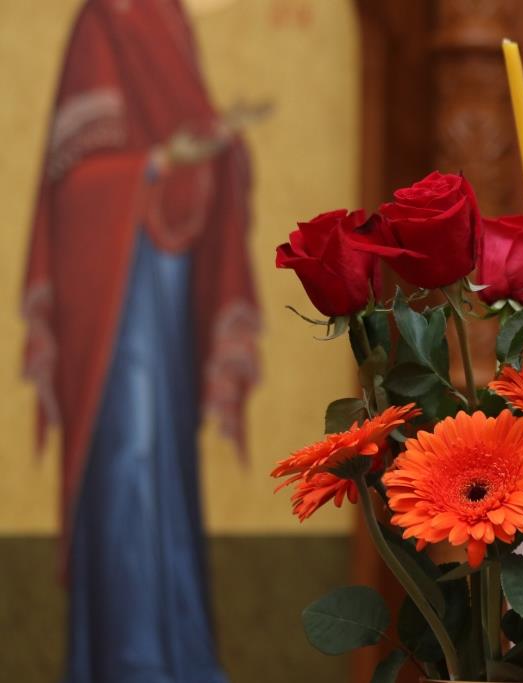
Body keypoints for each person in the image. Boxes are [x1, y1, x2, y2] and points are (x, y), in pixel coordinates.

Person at [21, 1, 265, 680]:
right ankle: (128, 658)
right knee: (127, 451)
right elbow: (74, 179)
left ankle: (176, 653)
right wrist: (159, 162)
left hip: (169, 281)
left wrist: (221, 147)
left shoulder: (169, 19)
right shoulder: (105, 19)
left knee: (166, 457)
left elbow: (193, 136)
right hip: (115, 289)